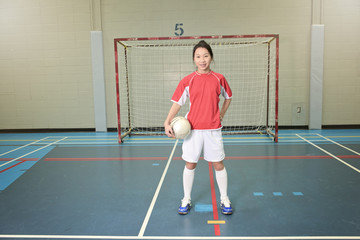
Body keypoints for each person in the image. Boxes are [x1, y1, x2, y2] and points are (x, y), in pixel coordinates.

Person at [164, 40, 233, 215]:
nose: (202, 60)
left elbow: (228, 97)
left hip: (213, 129)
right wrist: (167, 122)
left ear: (211, 57)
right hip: (192, 130)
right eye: (198, 56)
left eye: (205, 56)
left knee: (218, 164)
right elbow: (177, 103)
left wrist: (221, 114)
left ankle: (224, 198)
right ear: (194, 59)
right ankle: (186, 199)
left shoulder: (219, 78)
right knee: (190, 164)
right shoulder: (188, 80)